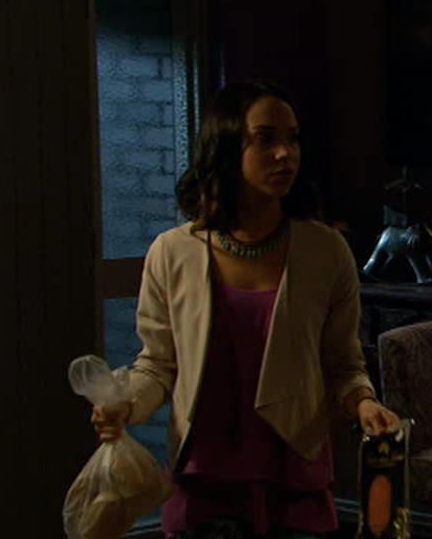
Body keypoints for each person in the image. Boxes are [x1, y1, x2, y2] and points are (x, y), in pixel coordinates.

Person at [90, 80, 400, 539]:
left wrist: (364, 402)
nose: (284, 154)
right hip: (203, 475)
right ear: (226, 147)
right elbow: (157, 365)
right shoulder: (172, 253)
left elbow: (342, 362)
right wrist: (125, 405)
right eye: (265, 139)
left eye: (293, 139)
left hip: (294, 472)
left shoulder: (325, 251)